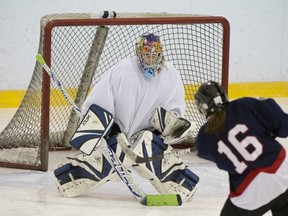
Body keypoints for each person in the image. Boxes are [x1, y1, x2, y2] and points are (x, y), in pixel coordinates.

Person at [54, 33, 199, 202]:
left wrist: (172, 124)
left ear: (161, 54)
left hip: (148, 139)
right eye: (147, 54)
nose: (151, 58)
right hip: (118, 137)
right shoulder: (123, 69)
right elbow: (100, 101)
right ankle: (70, 176)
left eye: (154, 55)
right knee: (84, 171)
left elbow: (174, 109)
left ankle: (179, 179)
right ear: (139, 53)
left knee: (184, 186)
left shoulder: (170, 74)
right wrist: (101, 132)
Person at [194, 80, 288, 216]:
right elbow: (284, 126)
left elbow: (218, 156)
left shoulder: (203, 139)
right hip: (282, 172)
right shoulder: (245, 105)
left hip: (251, 193)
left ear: (202, 108)